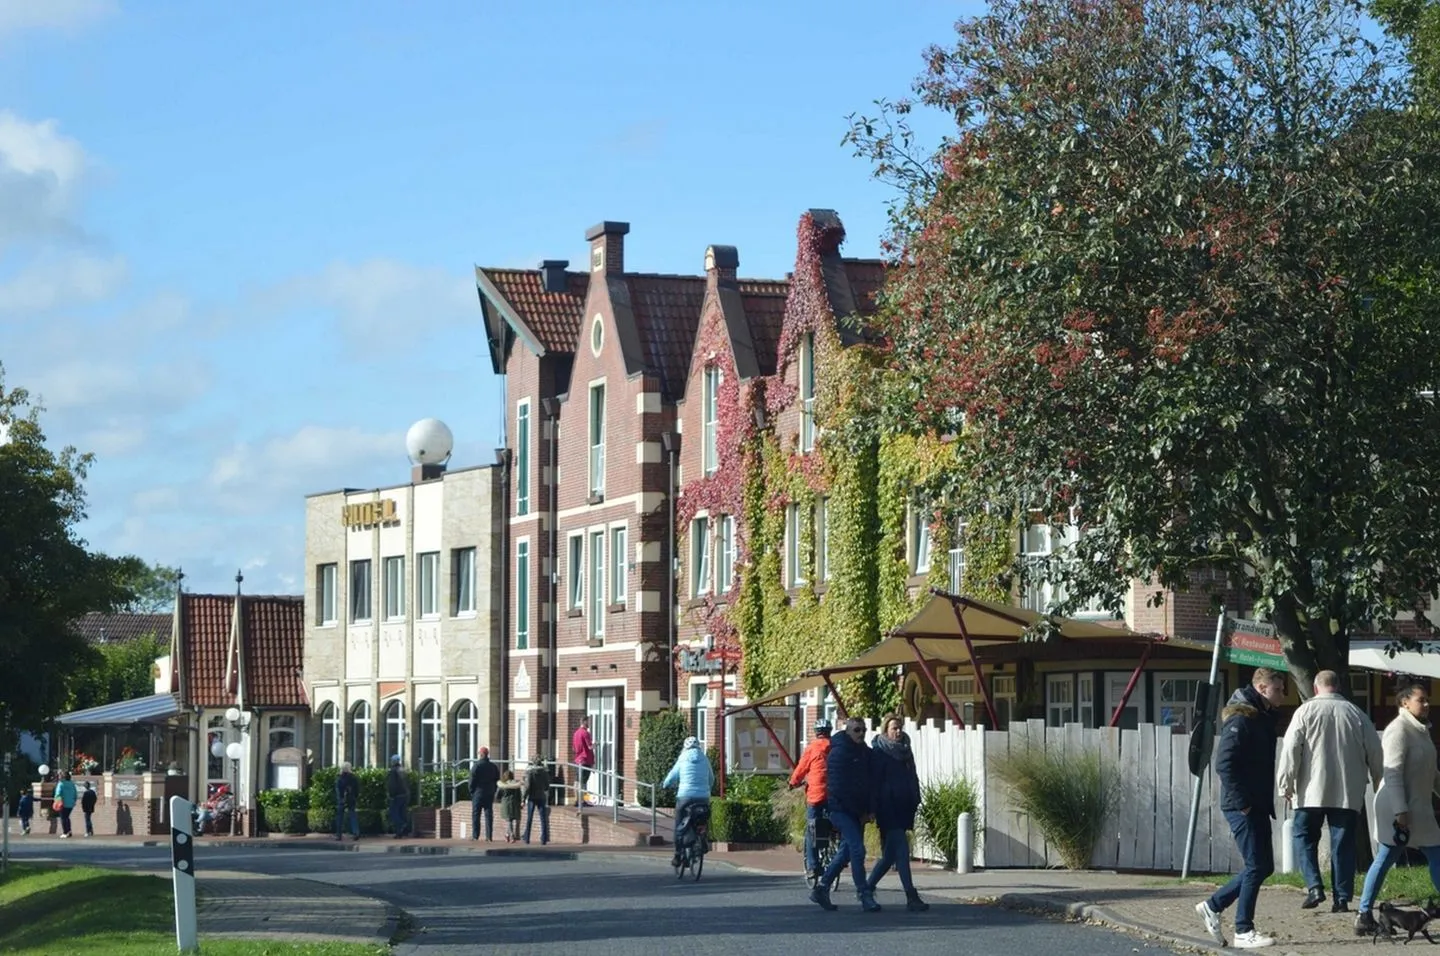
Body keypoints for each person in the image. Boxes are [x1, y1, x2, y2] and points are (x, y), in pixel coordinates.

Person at [1195, 667, 1287, 950]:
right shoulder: (1241, 719)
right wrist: (1242, 803)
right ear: (1261, 688)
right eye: (1278, 689)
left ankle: (1213, 905)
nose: (1283, 695)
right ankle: (1243, 930)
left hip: (1255, 803)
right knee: (1256, 866)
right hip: (1243, 806)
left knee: (1263, 866)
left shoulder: (1259, 717)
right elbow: (1224, 764)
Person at [1277, 669, 1382, 913]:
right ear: (1339, 686)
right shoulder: (1356, 713)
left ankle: (1314, 886)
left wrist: (1286, 783)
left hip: (1310, 790)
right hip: (1347, 791)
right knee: (1343, 845)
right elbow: (1375, 751)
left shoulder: (1304, 711)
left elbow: (1291, 748)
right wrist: (1378, 781)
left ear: (1316, 688)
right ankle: (1342, 898)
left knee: (1304, 837)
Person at [1355, 680, 1440, 936]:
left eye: (1427, 700)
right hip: (1396, 807)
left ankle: (1363, 913)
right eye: (1421, 700)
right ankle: (1363, 914)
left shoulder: (1421, 730)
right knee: (1388, 858)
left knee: (1432, 854)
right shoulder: (1398, 730)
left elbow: (1431, 773)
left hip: (1418, 808)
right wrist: (1400, 811)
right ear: (1405, 702)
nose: (1426, 704)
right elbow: (1392, 773)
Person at [810, 716, 880, 913]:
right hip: (840, 810)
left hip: (858, 812)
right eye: (857, 730)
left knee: (846, 852)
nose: (861, 733)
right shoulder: (838, 753)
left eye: (863, 730)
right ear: (848, 731)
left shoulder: (865, 753)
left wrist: (870, 810)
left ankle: (822, 888)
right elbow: (839, 788)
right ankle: (864, 894)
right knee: (857, 850)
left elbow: (871, 784)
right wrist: (859, 812)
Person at [865, 714, 928, 912]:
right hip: (887, 807)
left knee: (890, 855)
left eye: (900, 727)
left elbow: (912, 776)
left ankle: (867, 888)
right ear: (886, 730)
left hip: (904, 806)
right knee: (901, 848)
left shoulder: (906, 750)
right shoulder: (879, 752)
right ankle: (911, 895)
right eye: (894, 728)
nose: (898, 731)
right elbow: (874, 783)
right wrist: (872, 808)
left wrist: (915, 797)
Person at [789, 719, 832, 882]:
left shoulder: (812, 748)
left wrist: (793, 782)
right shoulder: (836, 747)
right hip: (834, 795)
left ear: (816, 732)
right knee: (835, 824)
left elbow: (801, 769)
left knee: (811, 830)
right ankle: (836, 852)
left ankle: (813, 866)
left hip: (816, 795)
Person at [662, 736, 715, 866]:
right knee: (704, 818)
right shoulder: (705, 759)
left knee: (679, 823)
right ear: (698, 746)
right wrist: (707, 789)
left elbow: (672, 776)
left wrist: (665, 785)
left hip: (685, 796)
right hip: (703, 797)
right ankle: (703, 837)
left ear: (685, 747)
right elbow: (711, 778)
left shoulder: (683, 758)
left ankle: (678, 855)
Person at [469, 747, 501, 842]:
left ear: (481, 754)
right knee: (488, 814)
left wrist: (472, 791)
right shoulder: (493, 766)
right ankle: (489, 836)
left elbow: (471, 780)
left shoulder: (476, 766)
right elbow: (497, 779)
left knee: (476, 814)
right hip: (489, 792)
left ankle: (475, 835)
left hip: (478, 792)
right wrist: (493, 790)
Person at [522, 760, 551, 845]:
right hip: (541, 796)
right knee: (543, 818)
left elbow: (527, 787)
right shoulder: (544, 773)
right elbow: (547, 786)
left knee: (529, 818)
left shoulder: (530, 772)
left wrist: (523, 799)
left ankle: (527, 838)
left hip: (532, 797)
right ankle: (544, 838)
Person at [385, 755, 410, 838]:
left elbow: (392, 784)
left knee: (394, 813)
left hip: (397, 795)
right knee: (402, 813)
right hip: (405, 795)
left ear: (393, 761)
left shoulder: (393, 771)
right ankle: (402, 832)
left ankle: (401, 827)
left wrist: (391, 795)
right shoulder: (403, 770)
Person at [572, 717, 596, 805]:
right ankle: (581, 801)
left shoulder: (576, 733)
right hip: (585, 761)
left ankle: (577, 800)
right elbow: (590, 747)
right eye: (589, 721)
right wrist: (596, 744)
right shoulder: (585, 733)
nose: (590, 723)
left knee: (577, 781)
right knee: (582, 782)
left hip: (577, 760)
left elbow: (574, 748)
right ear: (584, 722)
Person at [335, 762, 360, 841]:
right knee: (353, 816)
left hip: (342, 799)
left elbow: (338, 790)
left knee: (340, 817)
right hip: (351, 798)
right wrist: (355, 797)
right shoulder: (353, 778)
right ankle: (355, 832)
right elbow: (357, 790)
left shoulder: (340, 778)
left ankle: (339, 835)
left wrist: (340, 798)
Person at [497, 769, 523, 842]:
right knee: (511, 820)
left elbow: (497, 795)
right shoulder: (516, 785)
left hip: (506, 803)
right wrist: (520, 803)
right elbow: (519, 795)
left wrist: (500, 800)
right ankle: (507, 834)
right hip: (515, 803)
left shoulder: (503, 785)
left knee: (509, 820)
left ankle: (512, 835)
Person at [53, 771, 77, 839]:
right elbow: (75, 794)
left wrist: (56, 801)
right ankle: (69, 831)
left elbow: (58, 794)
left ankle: (65, 832)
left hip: (62, 804)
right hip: (71, 804)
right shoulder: (72, 784)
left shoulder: (61, 784)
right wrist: (73, 801)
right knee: (67, 817)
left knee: (63, 818)